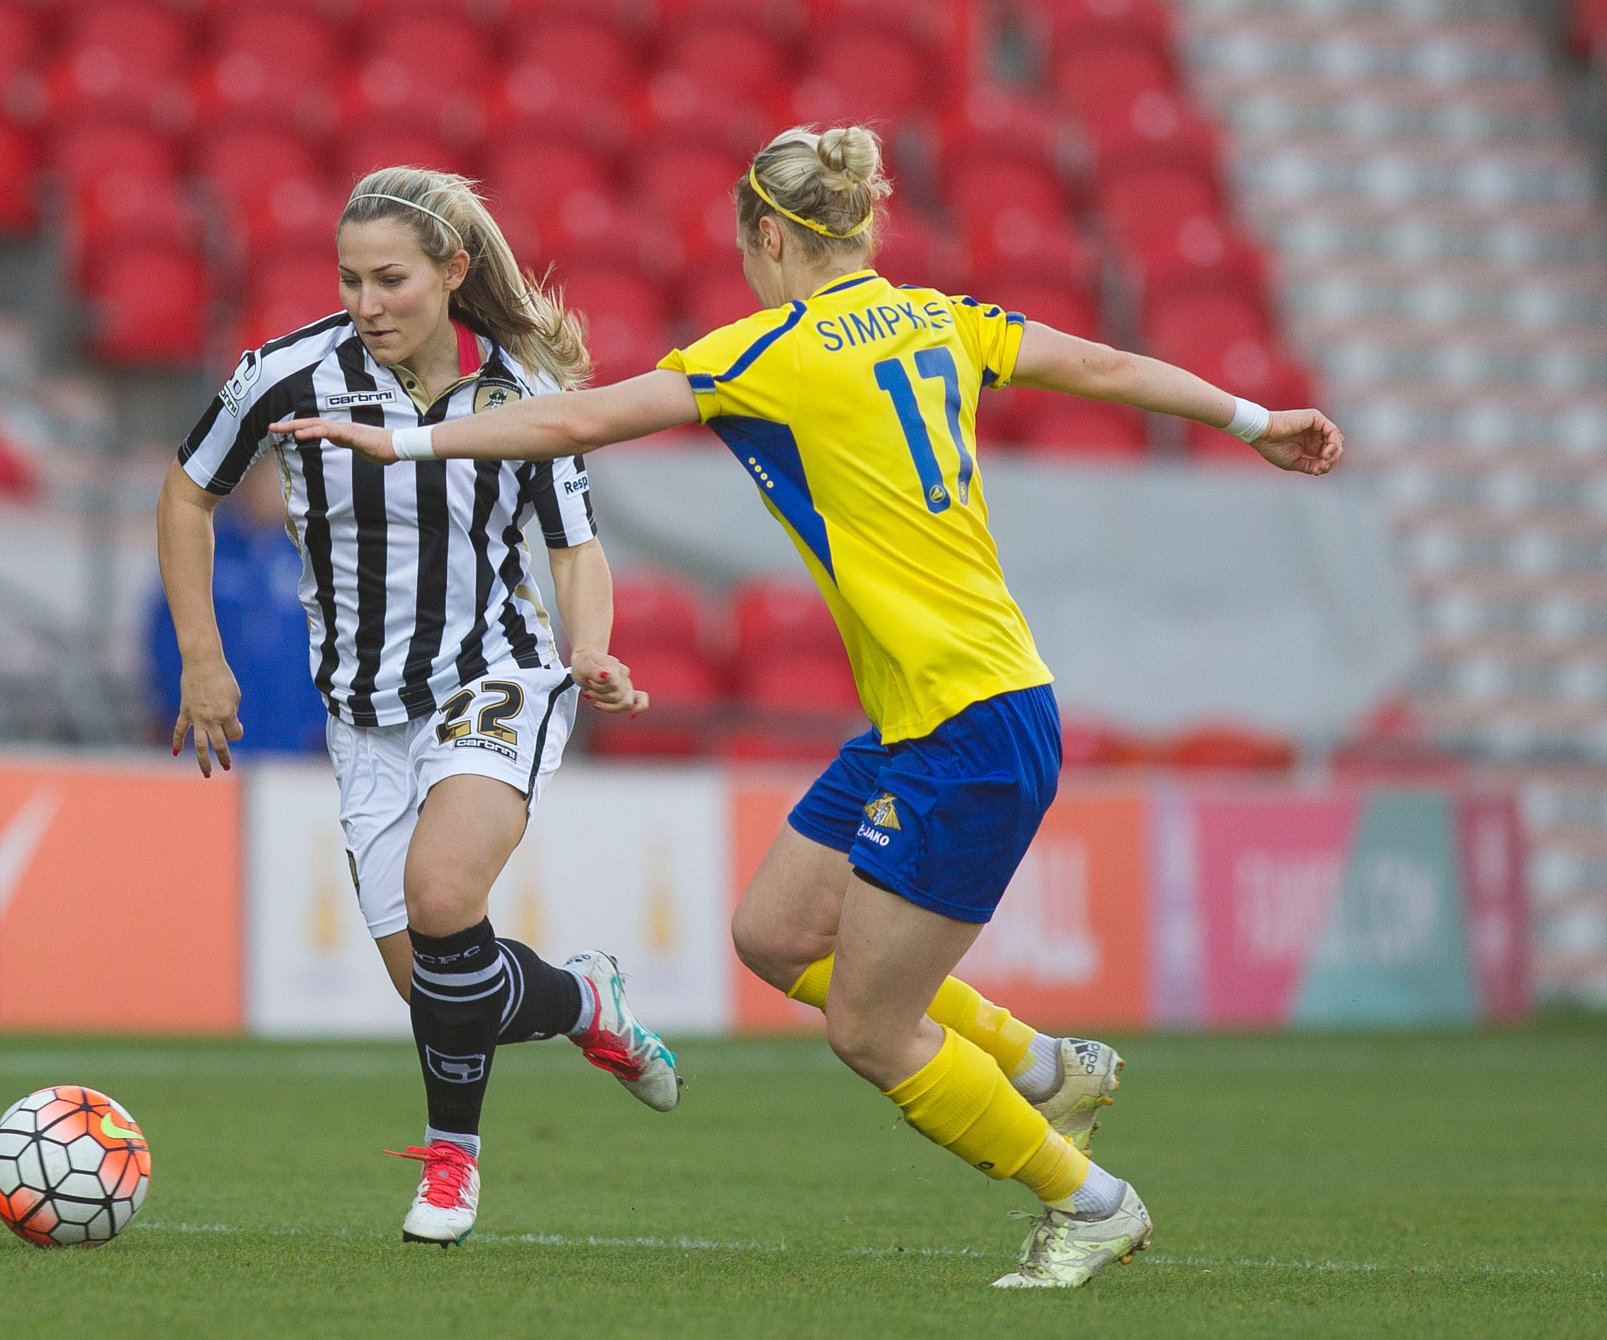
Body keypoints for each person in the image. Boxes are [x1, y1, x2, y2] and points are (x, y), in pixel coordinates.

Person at [284, 124, 1345, 1288]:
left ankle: (1088, 1201)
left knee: (870, 1031)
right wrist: (1254, 420)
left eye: (747, 248)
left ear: (771, 236)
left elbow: (576, 420)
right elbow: (1100, 367)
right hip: (934, 711)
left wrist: (404, 441)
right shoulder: (943, 317)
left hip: (968, 727)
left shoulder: (772, 347)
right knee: (775, 936)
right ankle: (1044, 1066)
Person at [158, 166, 682, 1247]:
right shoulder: (286, 373)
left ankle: (451, 1165)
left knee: (441, 892)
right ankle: (586, 1002)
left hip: (495, 670)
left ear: (451, 271)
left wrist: (589, 649)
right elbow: (185, 492)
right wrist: (199, 659)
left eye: (389, 278)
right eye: (349, 279)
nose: (366, 303)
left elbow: (573, 545)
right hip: (363, 711)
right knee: (441, 989)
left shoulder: (524, 387)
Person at [144, 465, 323, 752]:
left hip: (297, 748)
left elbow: (337, 647)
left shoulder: (313, 561)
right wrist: (174, 710)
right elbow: (165, 638)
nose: (269, 490)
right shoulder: (203, 550)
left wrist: (321, 729)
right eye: (261, 478)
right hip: (209, 744)